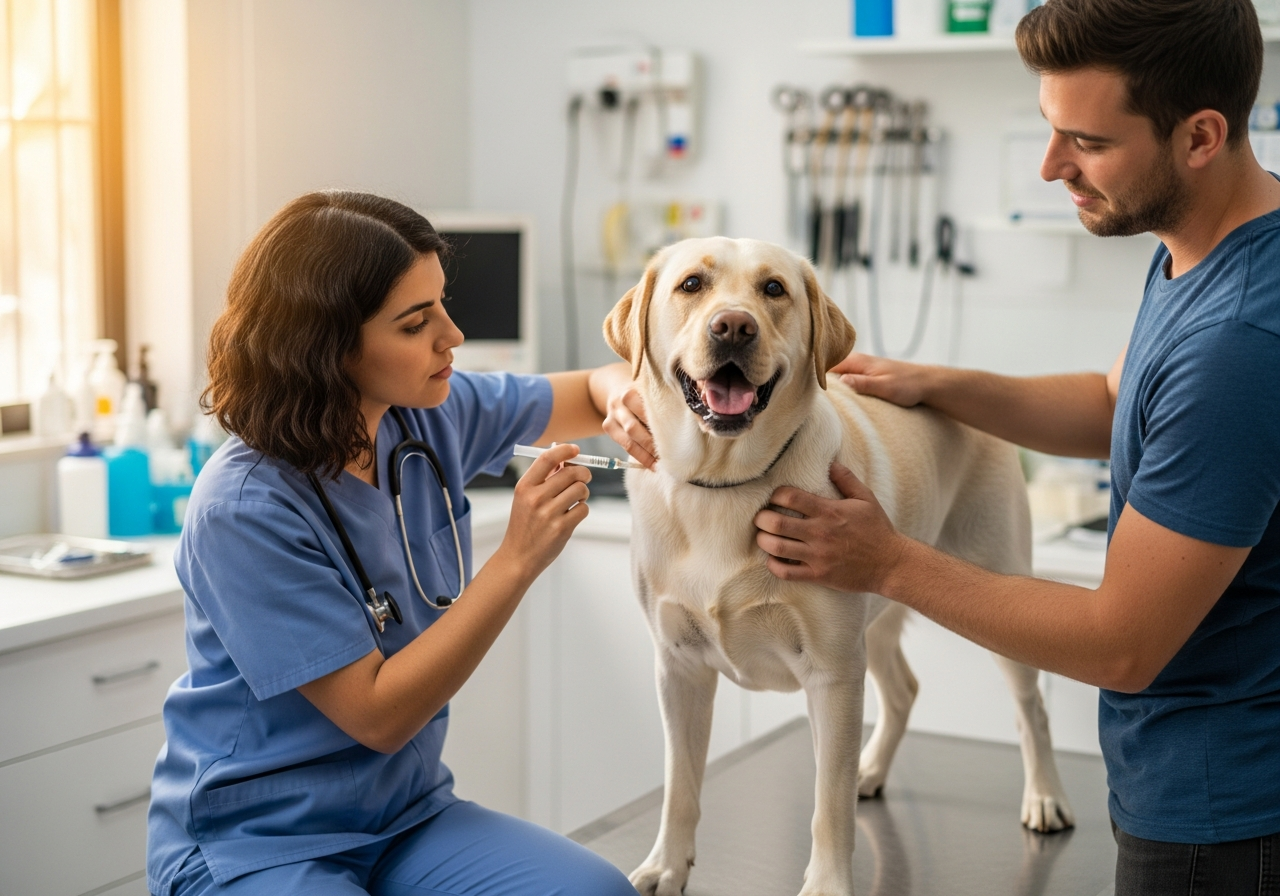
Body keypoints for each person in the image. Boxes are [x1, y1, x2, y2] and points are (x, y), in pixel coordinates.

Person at [747, 1, 1280, 893]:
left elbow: (1121, 645)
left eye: (1089, 142)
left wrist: (886, 563)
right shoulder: (1201, 250)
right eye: (1048, 130)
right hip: (1184, 783)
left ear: (1201, 136)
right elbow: (1119, 401)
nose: (1050, 167)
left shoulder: (1239, 339)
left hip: (1224, 823)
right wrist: (945, 385)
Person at [146, 191, 640, 896]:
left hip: (404, 819)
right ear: (327, 347)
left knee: (599, 891)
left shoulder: (424, 415)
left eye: (441, 303)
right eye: (417, 323)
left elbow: (592, 392)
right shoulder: (245, 508)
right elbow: (377, 717)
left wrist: (624, 394)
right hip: (260, 840)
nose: (453, 336)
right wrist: (518, 560)